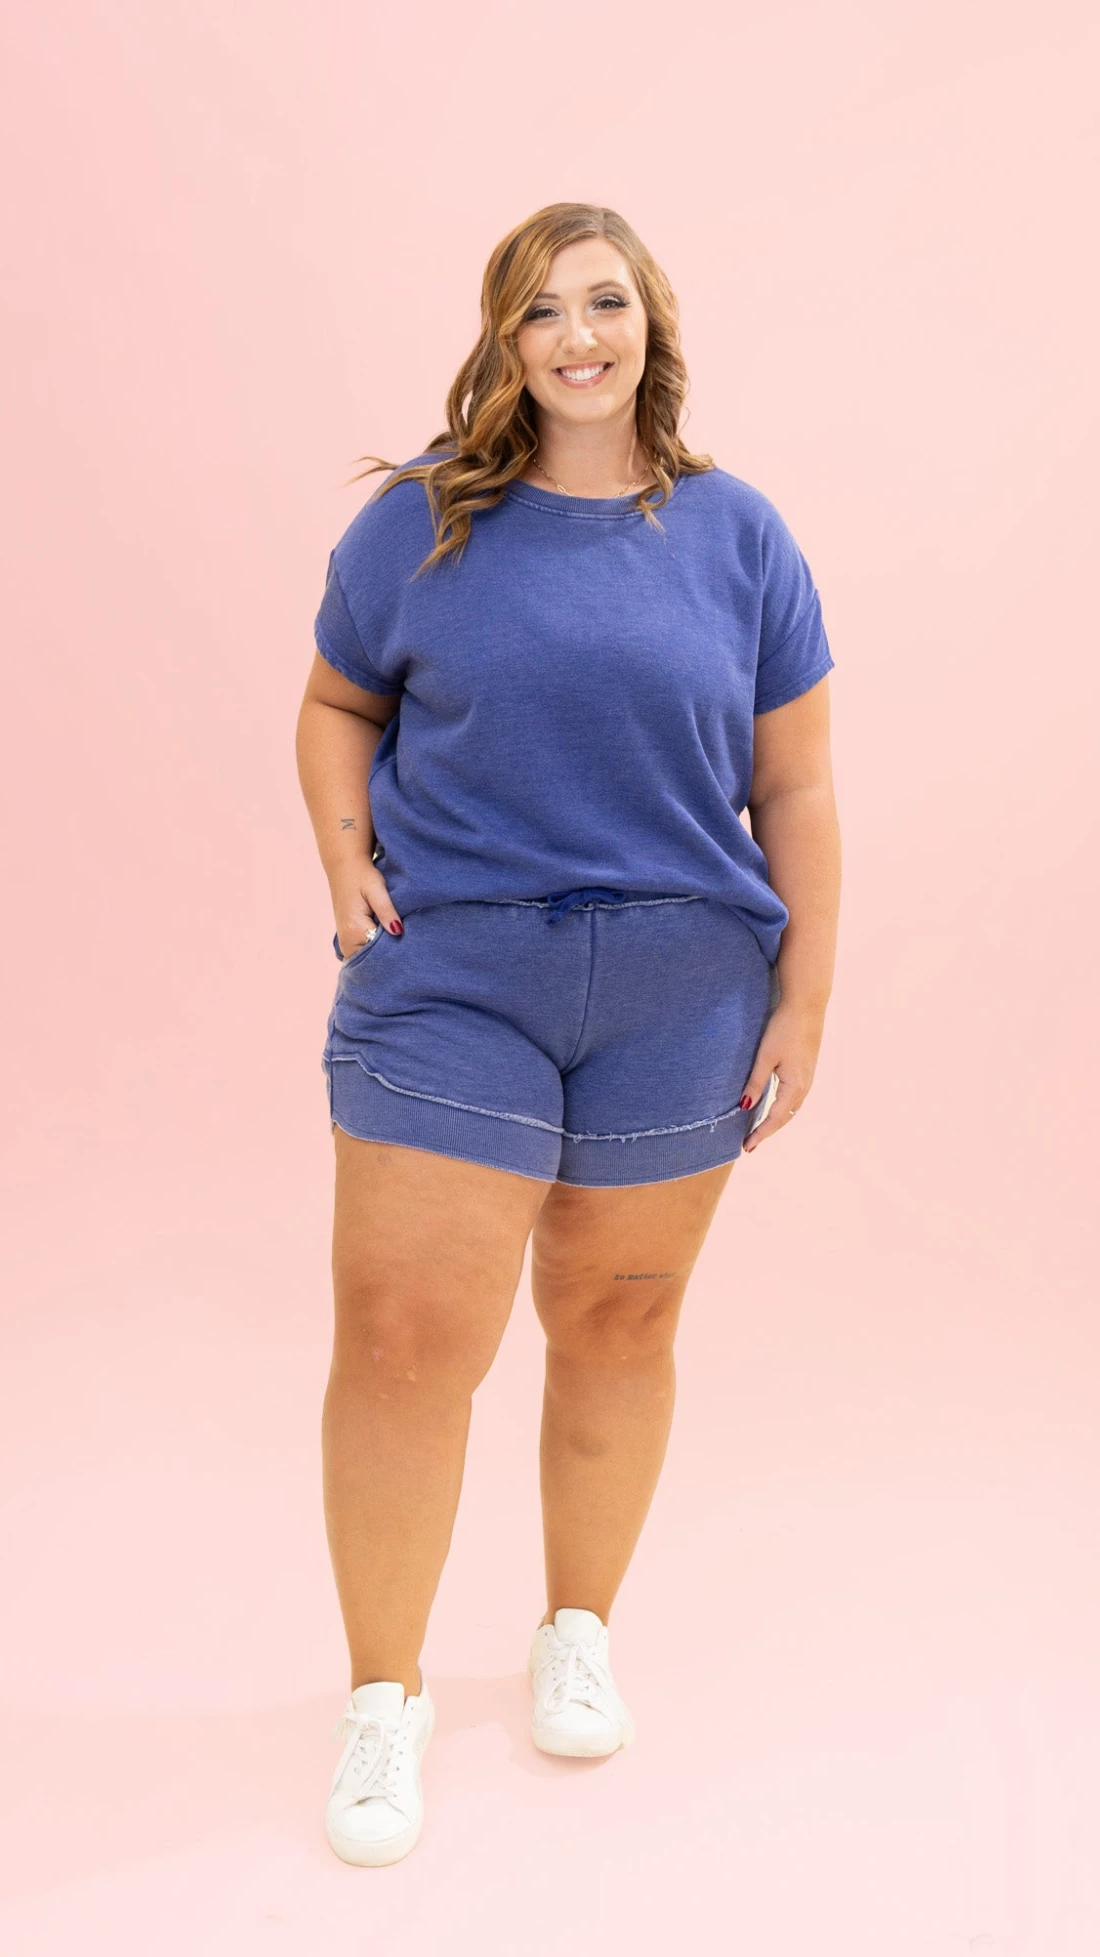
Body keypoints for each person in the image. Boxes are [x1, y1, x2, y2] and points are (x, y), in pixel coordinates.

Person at [295, 202, 841, 1867]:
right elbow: (336, 704)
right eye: (541, 311)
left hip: (683, 986)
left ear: (650, 324)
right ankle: (384, 1697)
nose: (576, 336)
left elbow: (796, 785)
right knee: (404, 1334)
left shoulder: (741, 535)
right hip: (457, 972)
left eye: (604, 303)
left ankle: (575, 1631)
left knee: (619, 1318)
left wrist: (806, 996)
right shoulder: (420, 526)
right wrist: (343, 857)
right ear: (505, 342)